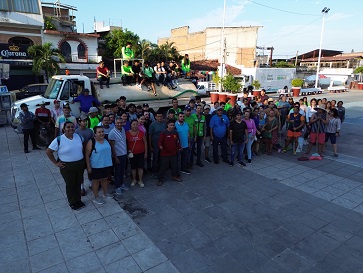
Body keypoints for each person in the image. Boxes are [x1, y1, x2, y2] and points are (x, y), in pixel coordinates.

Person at [46, 121, 85, 210]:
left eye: (72, 127)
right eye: (68, 127)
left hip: (79, 164)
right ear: (63, 129)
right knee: (70, 184)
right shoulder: (59, 139)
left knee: (78, 183)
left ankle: (78, 200)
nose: (71, 128)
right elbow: (48, 152)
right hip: (67, 166)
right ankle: (72, 202)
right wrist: (56, 163)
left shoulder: (78, 136)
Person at [85, 126, 113, 205]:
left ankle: (105, 193)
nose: (101, 133)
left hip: (106, 164)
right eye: (99, 132)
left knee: (105, 179)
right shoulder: (91, 142)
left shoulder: (106, 140)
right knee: (96, 181)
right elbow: (87, 155)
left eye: (102, 132)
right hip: (96, 165)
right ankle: (96, 197)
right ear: (95, 134)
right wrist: (88, 166)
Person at [157, 120, 182, 186]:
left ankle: (174, 177)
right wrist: (160, 146)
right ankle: (160, 179)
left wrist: (179, 147)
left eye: (173, 125)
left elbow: (177, 141)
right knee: (163, 167)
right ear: (167, 125)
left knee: (174, 166)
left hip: (173, 153)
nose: (172, 126)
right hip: (165, 153)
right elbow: (160, 141)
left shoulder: (175, 133)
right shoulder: (164, 132)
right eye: (171, 125)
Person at [109, 117, 129, 195]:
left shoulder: (123, 130)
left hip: (124, 154)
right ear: (115, 123)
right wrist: (116, 157)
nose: (120, 124)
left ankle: (121, 184)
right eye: (118, 123)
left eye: (121, 122)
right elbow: (112, 147)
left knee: (122, 171)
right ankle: (117, 187)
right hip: (117, 156)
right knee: (117, 172)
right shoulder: (112, 133)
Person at [75, 115, 94, 195]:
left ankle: (91, 184)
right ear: (79, 122)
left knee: (90, 170)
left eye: (86, 121)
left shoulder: (90, 131)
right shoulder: (76, 132)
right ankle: (82, 187)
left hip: (89, 154)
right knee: (80, 172)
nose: (85, 122)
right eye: (83, 121)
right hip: (80, 155)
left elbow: (93, 141)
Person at [126, 120, 147, 187]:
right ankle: (134, 179)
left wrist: (146, 152)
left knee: (140, 167)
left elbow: (145, 143)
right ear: (131, 125)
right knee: (133, 168)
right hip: (132, 154)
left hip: (141, 153)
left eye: (136, 124)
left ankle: (140, 180)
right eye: (133, 124)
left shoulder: (141, 133)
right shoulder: (127, 133)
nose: (135, 126)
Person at [148, 111, 166, 178]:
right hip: (155, 144)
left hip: (163, 144)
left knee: (162, 158)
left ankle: (161, 171)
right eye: (158, 116)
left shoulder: (164, 124)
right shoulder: (152, 125)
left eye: (161, 116)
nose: (159, 118)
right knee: (155, 158)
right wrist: (150, 146)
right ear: (155, 117)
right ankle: (154, 172)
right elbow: (150, 135)